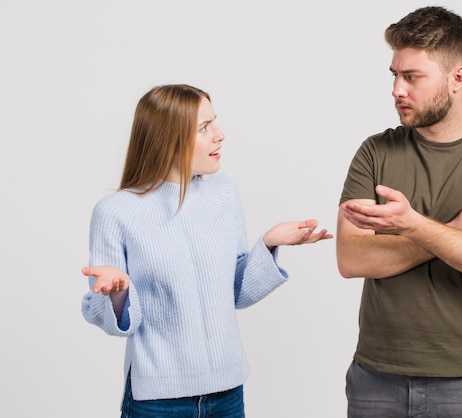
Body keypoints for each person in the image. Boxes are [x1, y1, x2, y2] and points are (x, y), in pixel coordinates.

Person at [81, 84, 332, 418]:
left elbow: (235, 292)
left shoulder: (224, 192)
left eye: (215, 123)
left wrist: (269, 243)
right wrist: (118, 294)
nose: (220, 135)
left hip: (227, 392)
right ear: (167, 137)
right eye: (204, 128)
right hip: (157, 400)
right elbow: (110, 318)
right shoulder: (116, 211)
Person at [337, 6, 462, 417]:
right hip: (375, 377)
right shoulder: (375, 151)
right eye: (394, 75)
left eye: (412, 77)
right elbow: (352, 257)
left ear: (457, 78)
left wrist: (408, 224)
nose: (397, 89)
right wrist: (456, 229)